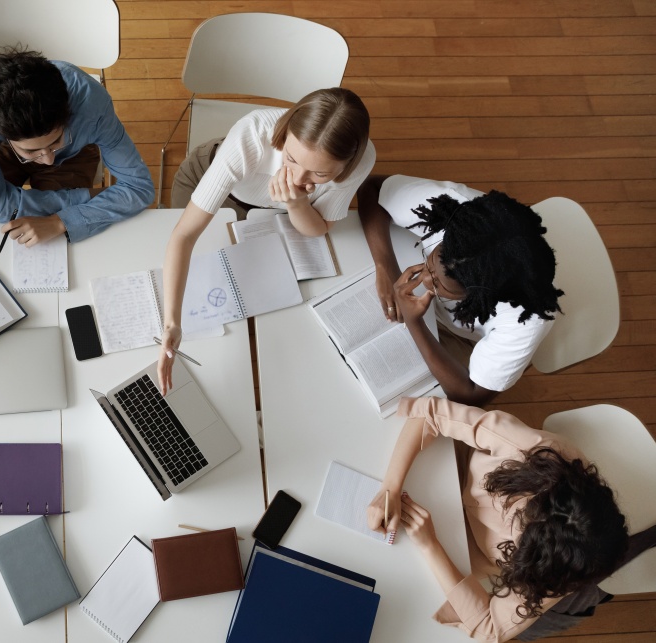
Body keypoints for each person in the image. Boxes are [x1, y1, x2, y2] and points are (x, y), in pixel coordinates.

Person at [366, 397, 655, 642]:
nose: (511, 522)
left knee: (561, 612)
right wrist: (390, 486)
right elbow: (430, 413)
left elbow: (493, 629)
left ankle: (642, 541)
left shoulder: (565, 566)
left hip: (472, 551)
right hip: (450, 476)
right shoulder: (532, 451)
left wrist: (430, 546)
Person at [157, 88, 374, 392]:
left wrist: (297, 203)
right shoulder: (252, 134)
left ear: (347, 165)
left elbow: (319, 228)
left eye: (319, 174)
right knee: (215, 282)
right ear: (284, 134)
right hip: (216, 187)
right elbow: (184, 234)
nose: (297, 179)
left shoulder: (361, 162)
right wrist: (172, 323)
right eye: (291, 159)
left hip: (276, 209)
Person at [357, 175, 563, 406]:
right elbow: (372, 188)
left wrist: (415, 324)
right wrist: (385, 267)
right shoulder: (454, 210)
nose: (423, 278)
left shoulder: (527, 319)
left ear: (482, 294)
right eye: (430, 262)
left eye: (437, 284)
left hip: (469, 341)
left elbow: (469, 396)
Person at [0, 47, 154, 245]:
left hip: (72, 156)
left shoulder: (93, 104)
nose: (48, 160)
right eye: (31, 150)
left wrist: (60, 221)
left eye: (55, 141)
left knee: (64, 241)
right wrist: (89, 198)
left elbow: (140, 188)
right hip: (2, 153)